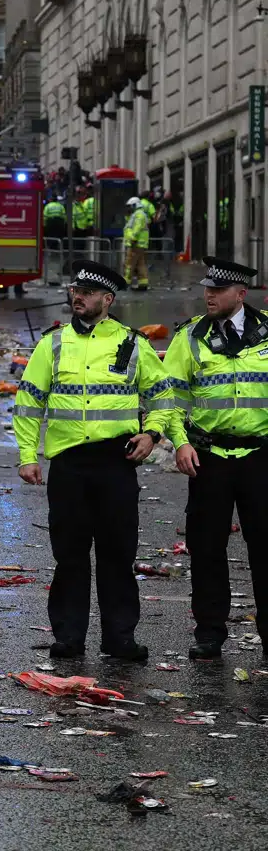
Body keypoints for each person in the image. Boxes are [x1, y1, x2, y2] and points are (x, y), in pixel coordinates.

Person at [13, 260, 177, 661]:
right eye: (76, 291)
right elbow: (29, 401)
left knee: (117, 555)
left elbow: (162, 396)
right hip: (69, 465)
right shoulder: (53, 344)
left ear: (107, 299)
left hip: (115, 463)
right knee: (69, 555)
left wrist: (152, 433)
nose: (78, 297)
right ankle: (69, 637)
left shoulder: (133, 344)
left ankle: (119, 638)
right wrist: (27, 456)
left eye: (87, 293)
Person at [161, 257, 268, 660]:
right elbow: (169, 397)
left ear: (241, 294)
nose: (209, 294)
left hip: (261, 456)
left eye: (218, 290)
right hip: (209, 456)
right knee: (206, 548)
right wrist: (179, 442)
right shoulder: (190, 337)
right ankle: (209, 633)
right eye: (207, 288)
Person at [123, 197, 151, 291]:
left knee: (130, 263)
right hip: (140, 244)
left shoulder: (139, 214)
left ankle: (125, 282)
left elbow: (136, 228)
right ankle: (143, 283)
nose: (129, 208)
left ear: (135, 205)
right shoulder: (137, 214)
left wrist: (133, 239)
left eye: (130, 206)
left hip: (136, 243)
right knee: (140, 264)